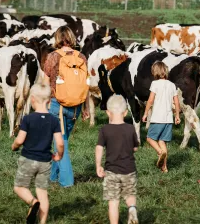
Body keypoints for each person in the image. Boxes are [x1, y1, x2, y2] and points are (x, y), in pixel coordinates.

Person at [11, 83, 64, 224]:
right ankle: (42, 222)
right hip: (45, 161)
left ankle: (32, 202)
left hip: (28, 159)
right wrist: (60, 155)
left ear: (32, 99)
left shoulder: (28, 119)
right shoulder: (54, 120)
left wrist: (14, 146)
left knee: (19, 187)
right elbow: (59, 143)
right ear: (49, 100)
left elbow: (20, 139)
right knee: (42, 192)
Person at [43, 26, 89, 188]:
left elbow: (44, 82)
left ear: (57, 39)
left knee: (61, 143)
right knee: (62, 141)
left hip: (57, 105)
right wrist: (86, 108)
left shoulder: (53, 57)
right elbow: (86, 84)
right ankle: (54, 176)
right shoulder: (81, 57)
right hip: (76, 106)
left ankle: (67, 181)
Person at [96, 94, 139, 224]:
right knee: (130, 194)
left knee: (113, 202)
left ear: (108, 112)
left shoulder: (105, 129)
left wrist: (98, 165)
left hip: (111, 171)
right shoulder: (130, 128)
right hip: (129, 170)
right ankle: (132, 209)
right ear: (125, 112)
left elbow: (99, 147)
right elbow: (135, 148)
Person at [142, 61, 180, 173]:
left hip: (157, 118)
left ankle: (159, 152)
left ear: (155, 72)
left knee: (150, 138)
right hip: (168, 119)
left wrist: (145, 113)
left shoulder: (155, 84)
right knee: (162, 141)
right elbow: (177, 102)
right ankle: (164, 168)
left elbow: (150, 100)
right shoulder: (172, 85)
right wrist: (177, 115)